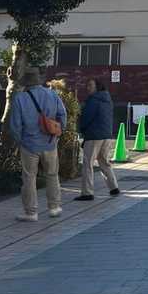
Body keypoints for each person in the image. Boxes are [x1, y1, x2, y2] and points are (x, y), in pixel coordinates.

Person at [9, 67, 68, 221]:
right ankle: (54, 207)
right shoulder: (52, 94)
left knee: (29, 178)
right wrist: (57, 133)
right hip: (50, 142)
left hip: (29, 144)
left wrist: (20, 141)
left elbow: (15, 125)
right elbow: (62, 115)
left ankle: (31, 212)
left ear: (26, 82)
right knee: (52, 174)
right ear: (38, 80)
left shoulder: (20, 98)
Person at [74, 79, 121, 202]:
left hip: (94, 136)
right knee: (104, 161)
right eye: (87, 85)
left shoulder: (93, 100)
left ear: (97, 87)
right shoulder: (107, 100)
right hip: (106, 135)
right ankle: (114, 187)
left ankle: (87, 193)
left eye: (90, 85)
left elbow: (86, 118)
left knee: (88, 164)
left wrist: (81, 128)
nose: (87, 87)